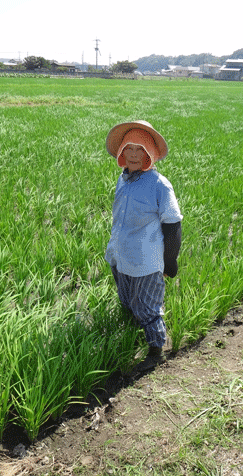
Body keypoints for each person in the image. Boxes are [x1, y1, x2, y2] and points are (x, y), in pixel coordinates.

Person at [104, 120, 183, 368]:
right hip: (120, 254)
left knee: (147, 307)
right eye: (129, 149)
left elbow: (173, 225)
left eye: (141, 149)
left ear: (150, 154)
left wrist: (170, 261)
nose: (134, 155)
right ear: (121, 152)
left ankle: (156, 351)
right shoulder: (123, 180)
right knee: (127, 301)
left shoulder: (159, 185)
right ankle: (132, 335)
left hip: (146, 261)